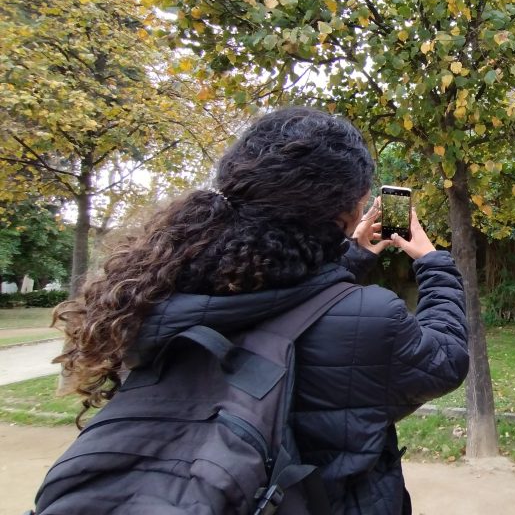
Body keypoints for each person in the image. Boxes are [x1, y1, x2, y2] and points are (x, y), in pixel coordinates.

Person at [54, 107, 469, 514]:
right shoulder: (370, 318)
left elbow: (278, 297)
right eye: (360, 203)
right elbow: (445, 357)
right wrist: (432, 260)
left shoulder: (157, 294)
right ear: (344, 214)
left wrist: (351, 254)